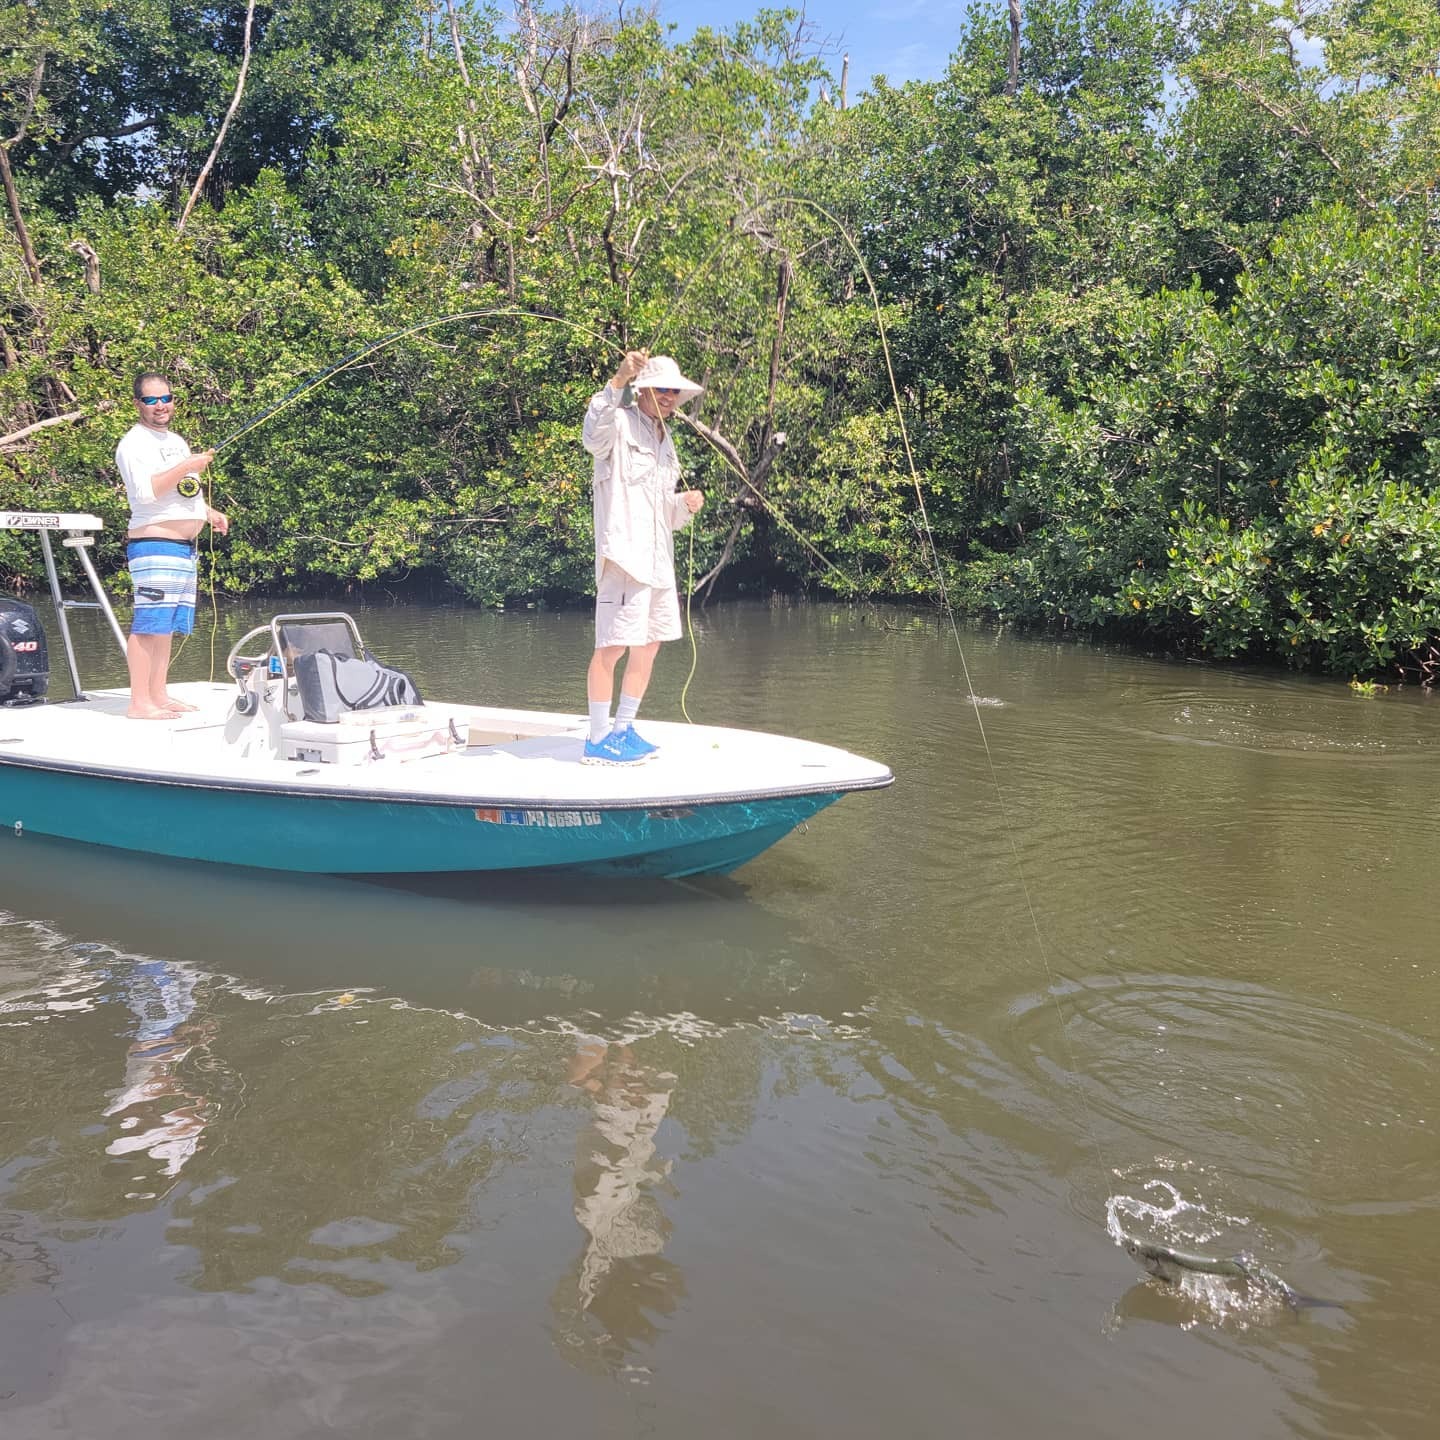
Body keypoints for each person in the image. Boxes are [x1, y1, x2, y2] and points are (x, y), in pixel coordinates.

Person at [580, 349, 704, 765]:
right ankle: (597, 740)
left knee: (649, 645)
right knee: (612, 646)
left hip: (657, 562)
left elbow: (664, 515)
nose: (670, 397)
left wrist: (684, 504)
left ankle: (624, 728)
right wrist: (617, 381)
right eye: (663, 390)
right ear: (644, 389)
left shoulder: (665, 440)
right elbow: (590, 436)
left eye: (675, 392)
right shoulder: (617, 420)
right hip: (624, 558)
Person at [114, 372, 228, 718]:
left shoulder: (175, 441)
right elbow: (147, 492)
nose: (160, 405)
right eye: (151, 400)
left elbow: (182, 495)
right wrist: (187, 465)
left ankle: (158, 695)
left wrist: (208, 513)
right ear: (138, 404)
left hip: (183, 549)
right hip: (154, 544)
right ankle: (139, 703)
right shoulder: (134, 443)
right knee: (149, 624)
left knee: (165, 626)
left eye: (165, 398)